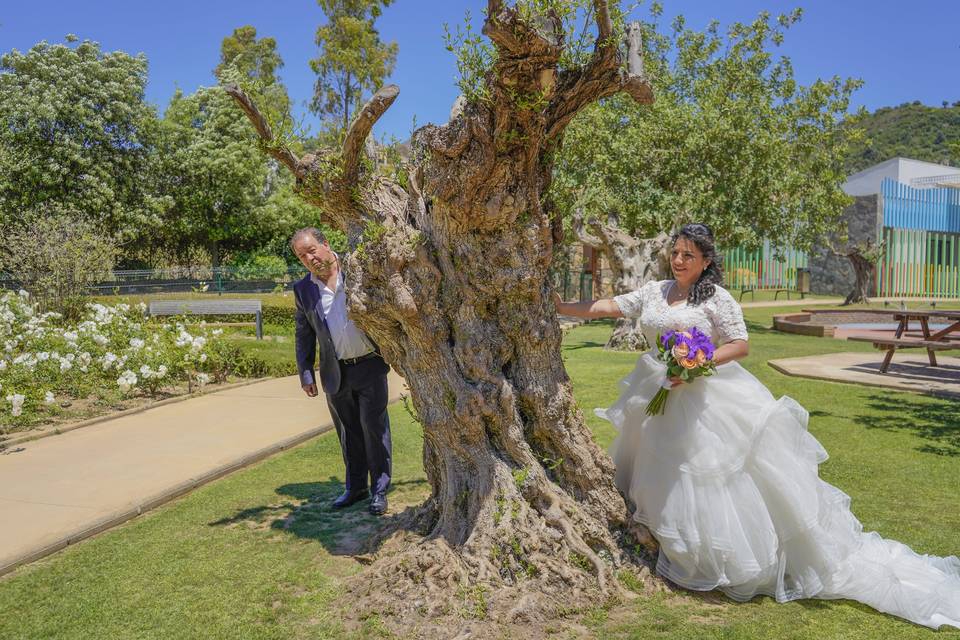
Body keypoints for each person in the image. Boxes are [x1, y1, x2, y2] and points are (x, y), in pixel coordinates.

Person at [556, 223, 960, 629]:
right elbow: (610, 306)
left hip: (705, 397)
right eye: (675, 253)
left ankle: (712, 555)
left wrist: (698, 362)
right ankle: (659, 536)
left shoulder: (717, 298)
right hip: (658, 390)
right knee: (654, 467)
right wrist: (561, 306)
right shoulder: (655, 292)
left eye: (688, 256)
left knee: (705, 473)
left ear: (706, 262)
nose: (678, 261)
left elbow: (740, 344)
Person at [291, 227, 392, 516]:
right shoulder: (303, 289)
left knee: (375, 430)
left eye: (311, 250)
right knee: (348, 433)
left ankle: (380, 490)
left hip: (370, 365)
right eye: (302, 256)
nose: (309, 258)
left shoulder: (358, 272)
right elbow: (304, 334)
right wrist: (306, 373)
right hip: (335, 373)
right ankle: (356, 487)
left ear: (325, 244)